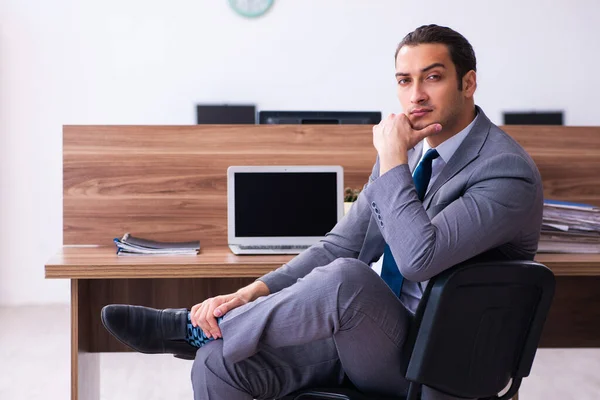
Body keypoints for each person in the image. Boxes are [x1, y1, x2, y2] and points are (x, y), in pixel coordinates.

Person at [101, 24, 543, 400]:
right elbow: (342, 243)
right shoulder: (408, 156)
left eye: (432, 77)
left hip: (441, 365)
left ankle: (192, 328)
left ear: (468, 83)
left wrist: (390, 159)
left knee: (347, 280)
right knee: (217, 363)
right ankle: (207, 335)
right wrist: (252, 292)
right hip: (374, 336)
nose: (416, 95)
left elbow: (417, 258)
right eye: (404, 81)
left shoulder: (504, 172)